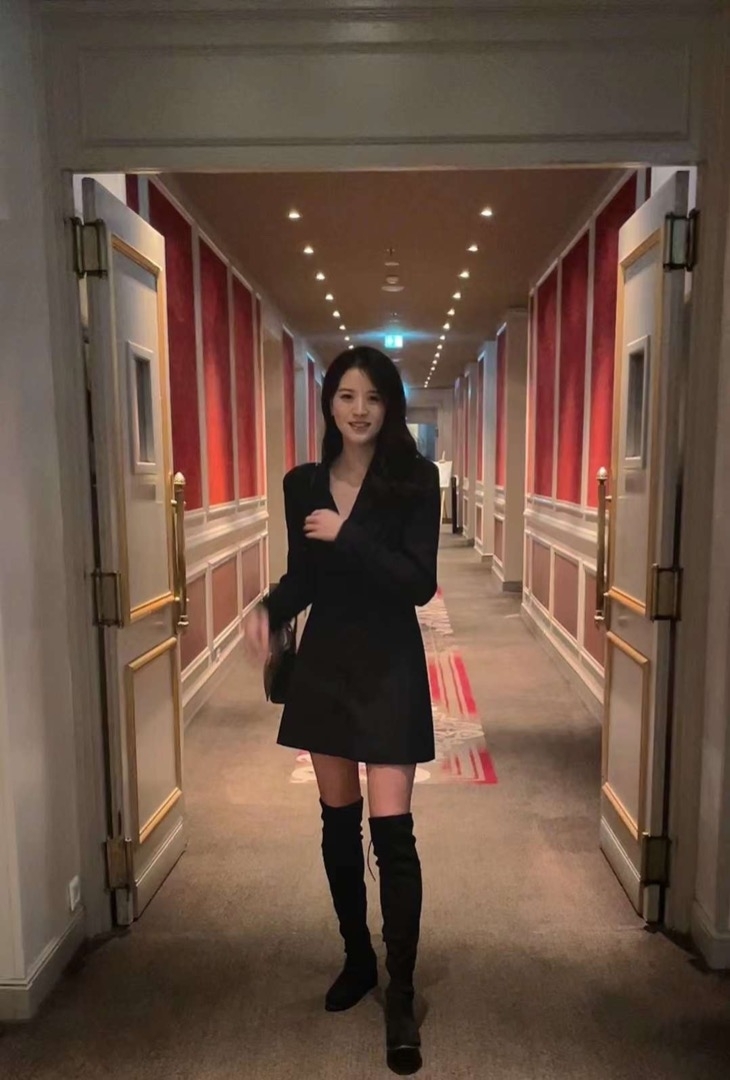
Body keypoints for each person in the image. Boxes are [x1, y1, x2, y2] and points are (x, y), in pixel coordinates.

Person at [244, 346, 440, 1076]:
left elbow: (418, 582)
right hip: (326, 666)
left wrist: (349, 534)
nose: (359, 410)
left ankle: (401, 991)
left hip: (390, 663)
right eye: (347, 396)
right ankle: (357, 958)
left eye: (374, 398)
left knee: (394, 836)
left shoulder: (414, 480)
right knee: (336, 823)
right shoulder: (302, 485)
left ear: (390, 407)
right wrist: (270, 609)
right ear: (329, 403)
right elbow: (306, 577)